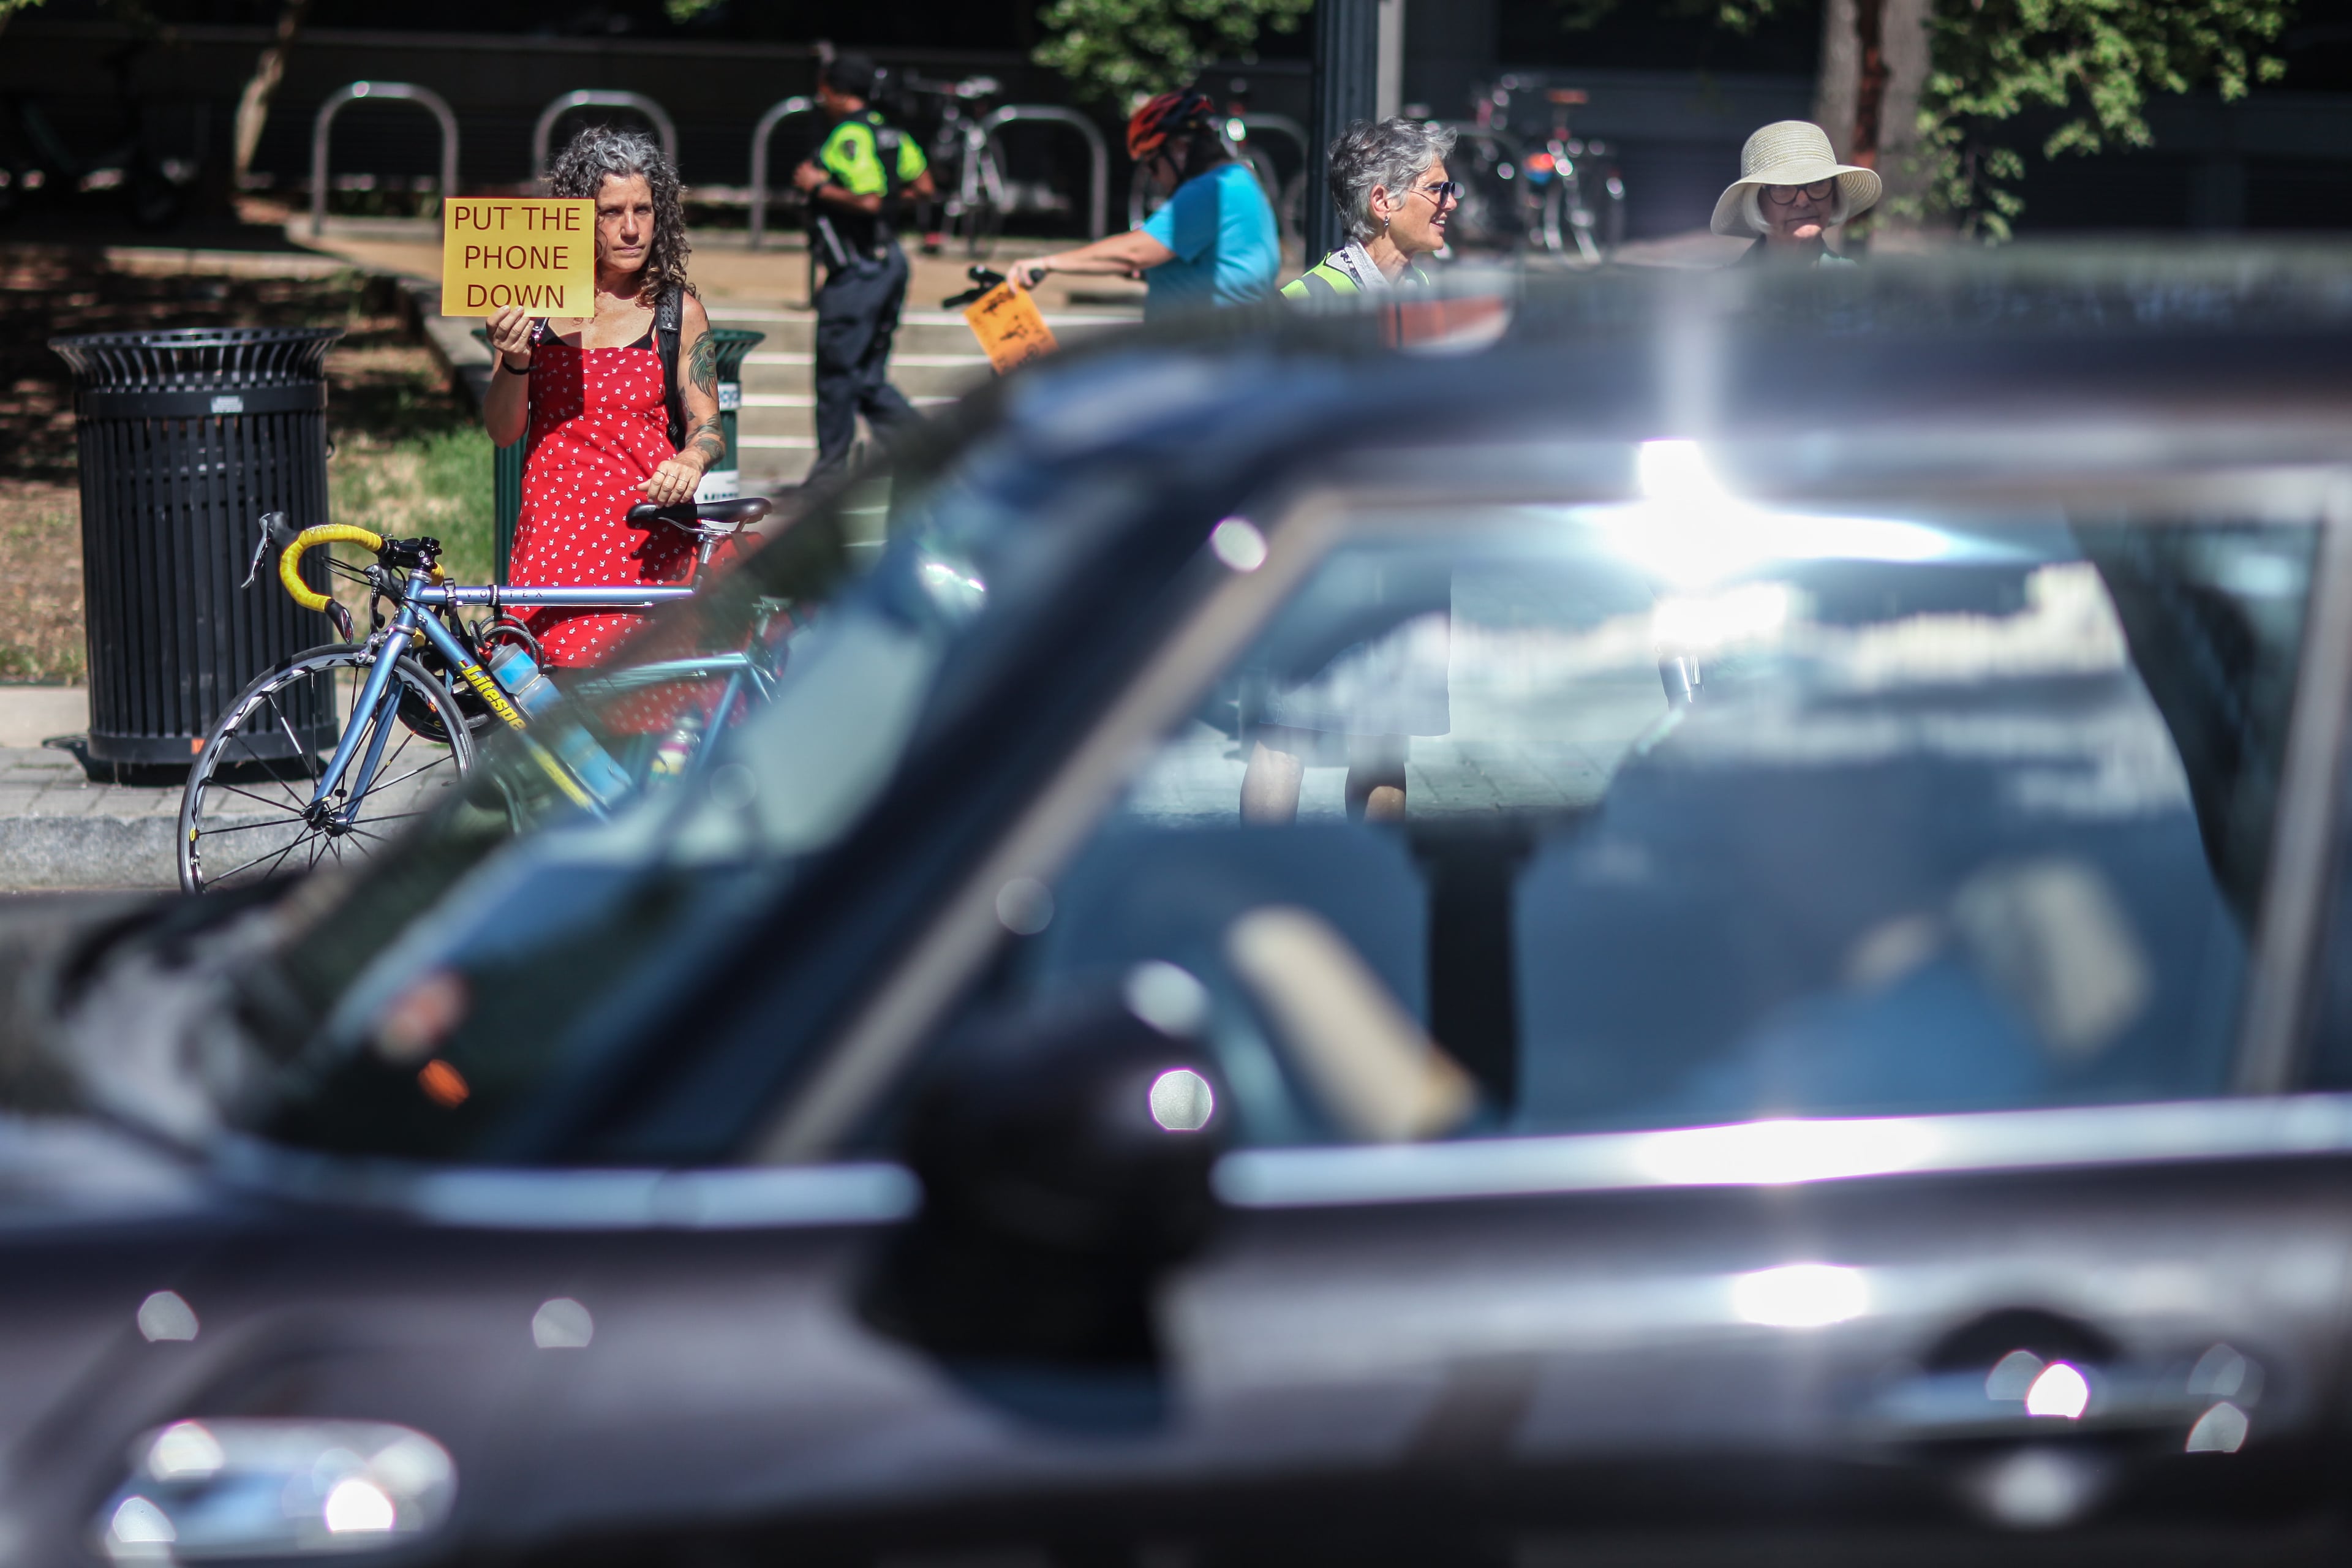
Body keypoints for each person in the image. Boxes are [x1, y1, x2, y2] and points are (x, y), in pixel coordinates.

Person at [484, 125, 721, 668]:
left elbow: (709, 426)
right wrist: (515, 356)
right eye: (611, 212)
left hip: (648, 533)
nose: (632, 229)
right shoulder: (531, 303)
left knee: (645, 704)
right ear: (575, 218)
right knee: (544, 695)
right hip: (557, 532)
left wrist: (692, 458)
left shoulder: (676, 312)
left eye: (644, 209)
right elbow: (502, 431)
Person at [1008, 90, 1279, 320]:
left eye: (1151, 161)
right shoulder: (1238, 179)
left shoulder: (1212, 189)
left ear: (1181, 148)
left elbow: (1136, 251)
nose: (1152, 174)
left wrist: (1047, 263)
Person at [792, 53, 937, 477]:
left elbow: (869, 199)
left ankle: (829, 478)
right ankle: (923, 451)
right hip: (888, 262)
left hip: (858, 272)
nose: (820, 98)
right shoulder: (891, 132)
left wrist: (818, 187)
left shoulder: (848, 136)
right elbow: (925, 187)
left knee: (838, 376)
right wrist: (892, 201)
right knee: (868, 378)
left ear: (837, 92)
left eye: (823, 89)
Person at [1282, 118, 1458, 300]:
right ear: (1382, 202)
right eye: (1436, 189)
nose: (1451, 203)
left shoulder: (1422, 287)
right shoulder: (1305, 300)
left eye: (1449, 189)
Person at [1710, 120, 1880, 266]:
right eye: (1782, 188)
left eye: (1818, 184)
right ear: (1757, 203)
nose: (1803, 200)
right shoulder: (1725, 292)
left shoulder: (1857, 286)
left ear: (1834, 195)